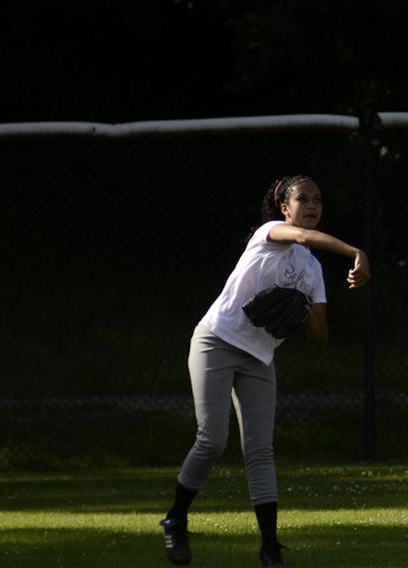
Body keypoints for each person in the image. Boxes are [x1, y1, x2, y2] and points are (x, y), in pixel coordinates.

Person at [159, 175, 371, 567]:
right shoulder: (269, 232)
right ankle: (176, 519)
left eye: (318, 199)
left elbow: (321, 337)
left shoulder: (312, 271)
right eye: (302, 199)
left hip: (259, 357)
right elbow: (306, 238)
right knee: (212, 439)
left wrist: (303, 307)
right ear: (285, 209)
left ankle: (270, 548)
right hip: (216, 342)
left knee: (260, 450)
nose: (311, 206)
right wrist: (356, 251)